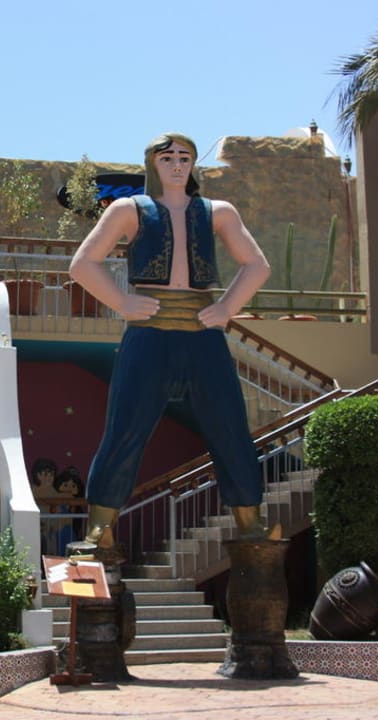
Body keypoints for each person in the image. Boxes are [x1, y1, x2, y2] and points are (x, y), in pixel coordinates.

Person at [69, 131, 278, 550]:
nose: (177, 165)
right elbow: (83, 264)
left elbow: (257, 265)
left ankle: (250, 521)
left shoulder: (218, 212)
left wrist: (226, 308)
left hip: (203, 334)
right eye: (167, 158)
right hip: (149, 333)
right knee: (125, 429)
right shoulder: (129, 210)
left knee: (231, 429)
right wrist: (123, 303)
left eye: (185, 157)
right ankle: (100, 528)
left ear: (194, 164)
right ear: (153, 164)